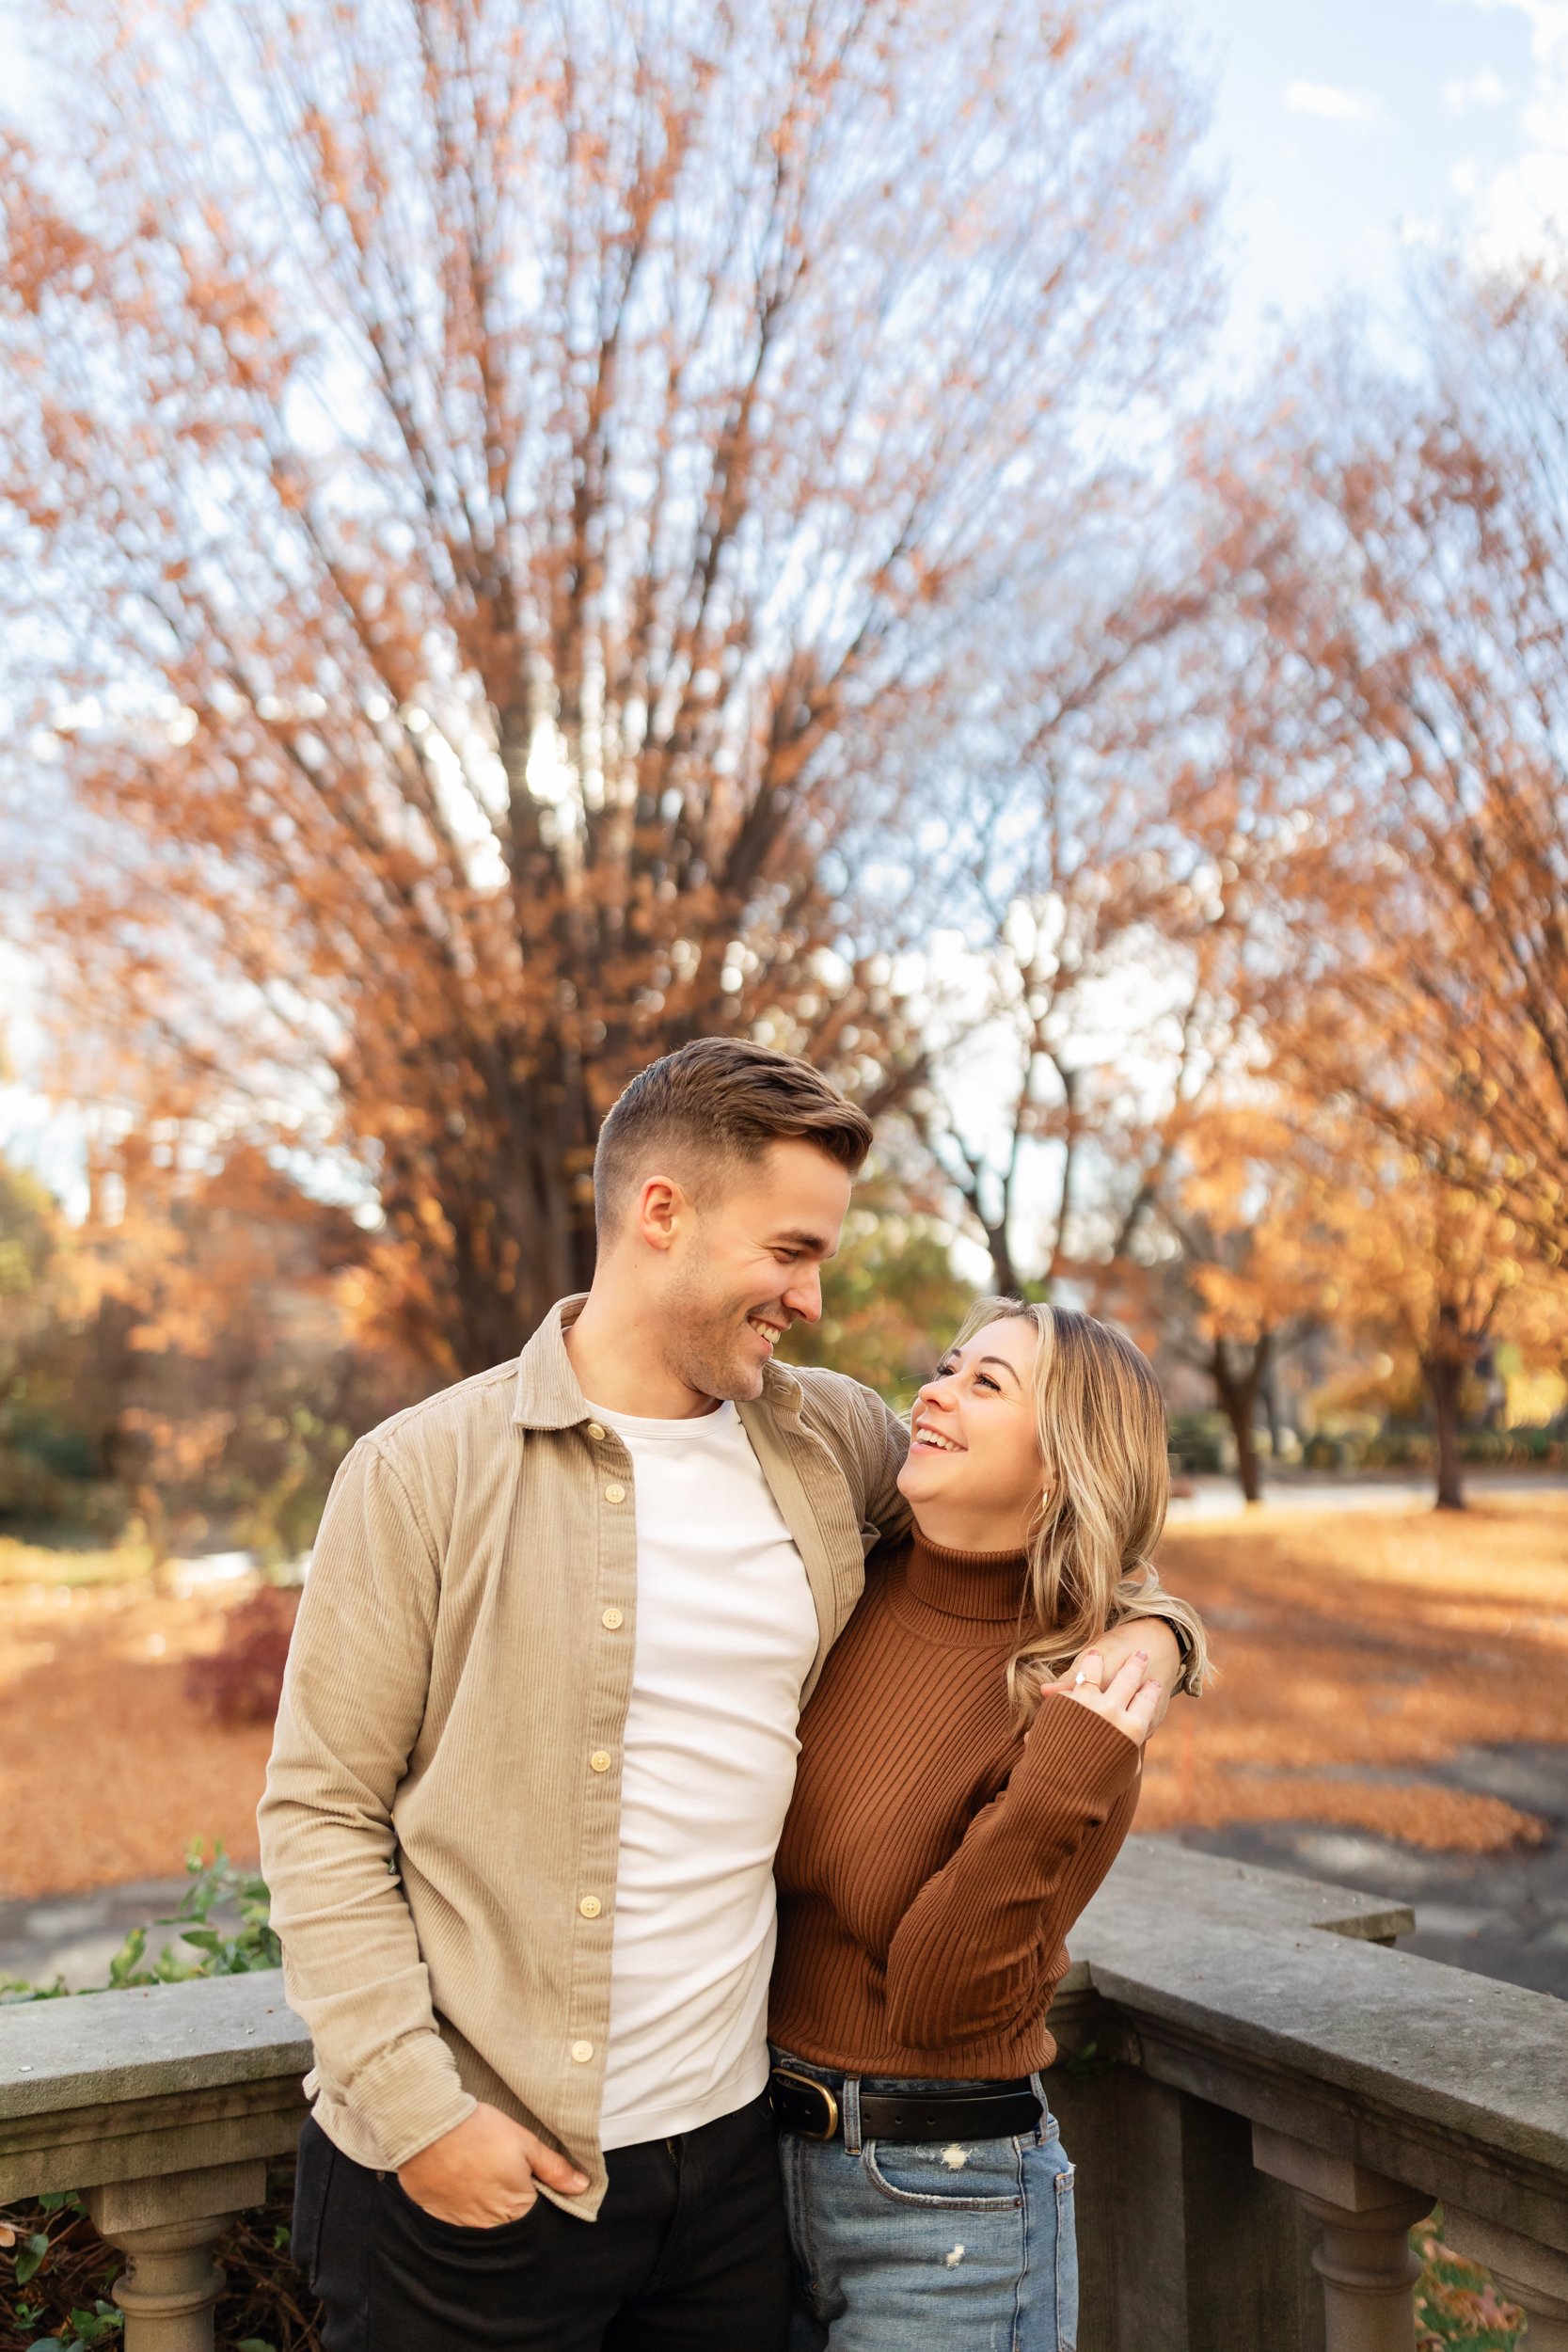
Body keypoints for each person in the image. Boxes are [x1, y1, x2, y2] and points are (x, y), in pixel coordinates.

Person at [259, 1039, 1199, 2351]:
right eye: (789, 1251)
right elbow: (320, 1817)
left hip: (731, 2181)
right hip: (475, 2178)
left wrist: (1155, 1633)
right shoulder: (421, 1473)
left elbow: (1059, 1525)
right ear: (662, 1214)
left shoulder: (830, 1442)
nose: (809, 1298)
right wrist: (414, 2113)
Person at [769, 1295, 1207, 2351]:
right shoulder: (840, 1585)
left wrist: (1062, 1778)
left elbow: (938, 1999)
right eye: (945, 1363)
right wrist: (1169, 1626)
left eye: (984, 1383)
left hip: (944, 2212)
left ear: (1059, 1464)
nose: (932, 1390)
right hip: (748, 2177)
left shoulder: (1085, 1704)